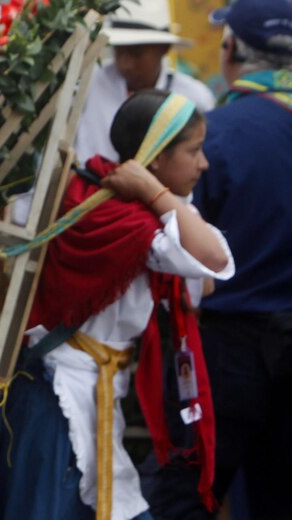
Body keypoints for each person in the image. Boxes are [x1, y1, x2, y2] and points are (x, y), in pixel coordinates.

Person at [0, 90, 234, 520]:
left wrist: (157, 196)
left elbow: (204, 280)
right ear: (156, 159)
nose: (204, 164)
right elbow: (214, 259)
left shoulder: (123, 204)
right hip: (60, 399)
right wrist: (157, 194)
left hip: (82, 393)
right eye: (194, 151)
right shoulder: (125, 217)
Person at [142, 1, 292, 518]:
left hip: (224, 353)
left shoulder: (212, 137)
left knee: (185, 494)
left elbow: (175, 249)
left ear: (231, 50)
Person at [74, 0, 215, 163]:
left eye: (137, 54)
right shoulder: (88, 82)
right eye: (119, 51)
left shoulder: (195, 97)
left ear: (164, 48)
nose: (126, 63)